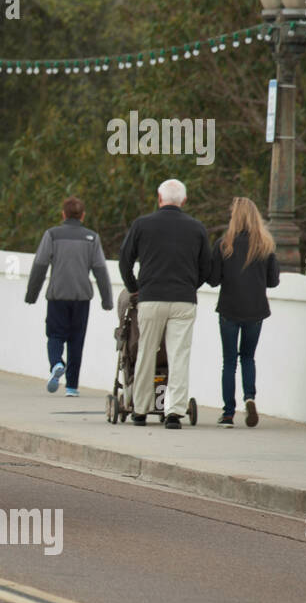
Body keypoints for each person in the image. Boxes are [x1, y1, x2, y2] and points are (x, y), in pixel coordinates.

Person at [118, 178, 210, 428]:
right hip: (184, 300)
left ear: (159, 199)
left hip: (151, 298)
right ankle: (174, 413)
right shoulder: (197, 228)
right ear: (184, 201)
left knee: (147, 351)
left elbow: (124, 261)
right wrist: (191, 285)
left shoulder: (142, 224)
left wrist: (135, 288)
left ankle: (140, 409)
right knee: (179, 355)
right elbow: (206, 268)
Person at [25, 196, 114, 396]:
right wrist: (106, 300)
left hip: (57, 296)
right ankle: (72, 387)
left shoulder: (52, 235)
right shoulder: (92, 238)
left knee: (55, 335)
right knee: (76, 340)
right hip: (81, 298)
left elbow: (40, 265)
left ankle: (56, 363)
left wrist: (32, 295)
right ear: (83, 216)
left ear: (63, 214)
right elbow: (100, 270)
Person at [206, 196, 280, 427]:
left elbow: (213, 280)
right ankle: (250, 397)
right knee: (248, 357)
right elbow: (273, 281)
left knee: (229, 361)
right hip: (255, 311)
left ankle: (228, 413)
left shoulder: (223, 244)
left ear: (234, 217)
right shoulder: (265, 245)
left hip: (229, 310)